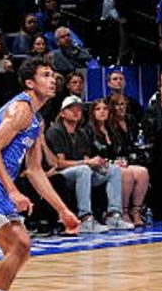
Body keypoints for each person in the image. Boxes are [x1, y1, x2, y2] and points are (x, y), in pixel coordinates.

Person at [0, 57, 80, 291]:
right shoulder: (20, 110)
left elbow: (35, 170)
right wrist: (12, 191)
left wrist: (63, 210)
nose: (53, 79)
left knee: (20, 251)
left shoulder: (38, 120)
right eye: (45, 75)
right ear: (29, 83)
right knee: (19, 245)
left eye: (53, 74)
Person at [45, 96, 134, 232]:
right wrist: (87, 162)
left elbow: (86, 157)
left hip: (82, 172)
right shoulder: (56, 131)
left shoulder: (82, 132)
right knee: (84, 170)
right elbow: (59, 163)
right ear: (62, 113)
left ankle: (113, 215)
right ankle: (85, 218)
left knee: (114, 170)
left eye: (79, 109)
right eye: (71, 109)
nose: (76, 112)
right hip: (61, 174)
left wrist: (98, 164)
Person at [87, 99, 149, 227]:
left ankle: (136, 211)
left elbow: (122, 149)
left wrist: (122, 160)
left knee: (142, 172)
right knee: (126, 174)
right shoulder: (88, 131)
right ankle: (123, 212)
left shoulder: (113, 128)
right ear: (92, 113)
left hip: (117, 163)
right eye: (98, 109)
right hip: (100, 166)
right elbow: (90, 155)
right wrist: (112, 162)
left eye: (104, 109)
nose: (102, 112)